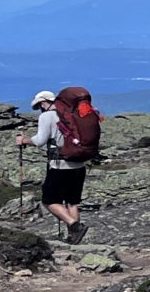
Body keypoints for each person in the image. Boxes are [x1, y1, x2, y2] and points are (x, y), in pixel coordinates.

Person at [19, 85, 102, 242]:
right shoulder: (75, 114)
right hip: (79, 164)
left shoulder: (47, 116)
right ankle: (74, 238)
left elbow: (40, 141)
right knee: (72, 201)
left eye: (40, 105)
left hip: (60, 165)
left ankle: (74, 226)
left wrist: (23, 140)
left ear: (45, 102)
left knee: (50, 201)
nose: (40, 109)